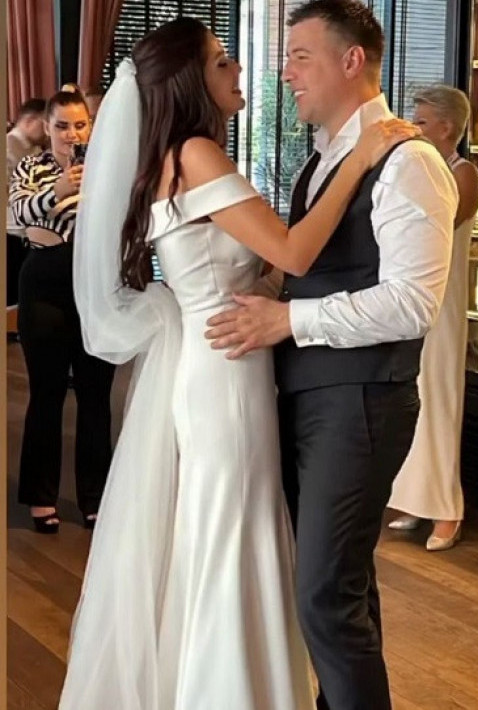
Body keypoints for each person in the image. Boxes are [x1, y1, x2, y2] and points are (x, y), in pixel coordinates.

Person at [57, 16, 415, 710]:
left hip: (219, 360)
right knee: (231, 534)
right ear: (191, 82)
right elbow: (295, 253)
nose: (240, 70)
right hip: (227, 375)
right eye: (223, 62)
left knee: (221, 532)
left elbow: (255, 274)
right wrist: (359, 161)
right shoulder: (195, 153)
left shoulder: (172, 158)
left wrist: (275, 297)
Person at [204, 3, 458, 709]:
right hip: (314, 395)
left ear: (352, 61)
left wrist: (289, 319)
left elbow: (412, 304)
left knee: (323, 594)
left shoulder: (410, 162)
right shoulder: (324, 158)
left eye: (300, 56)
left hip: (361, 401)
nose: (285, 74)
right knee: (339, 587)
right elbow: (316, 267)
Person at [9, 87, 115, 533]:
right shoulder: (31, 167)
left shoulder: (110, 165)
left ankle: (96, 497)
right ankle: (40, 496)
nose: (72, 134)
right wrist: (57, 190)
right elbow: (16, 214)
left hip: (97, 284)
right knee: (46, 392)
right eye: (62, 126)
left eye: (80, 125)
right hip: (45, 285)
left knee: (96, 395)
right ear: (47, 128)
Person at [388, 85, 478, 551]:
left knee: (440, 398)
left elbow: (441, 227)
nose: (415, 127)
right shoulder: (423, 168)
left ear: (447, 127)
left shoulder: (464, 174)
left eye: (422, 121)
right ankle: (415, 498)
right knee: (416, 397)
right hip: (415, 296)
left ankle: (448, 508)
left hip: (443, 303)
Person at [6, 98, 47, 308]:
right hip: (12, 234)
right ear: (30, 121)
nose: (47, 130)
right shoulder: (8, 147)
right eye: (44, 122)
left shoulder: (36, 151)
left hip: (32, 232)